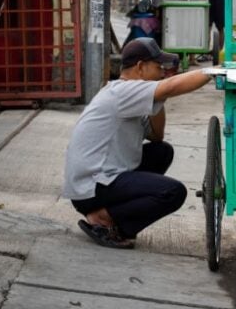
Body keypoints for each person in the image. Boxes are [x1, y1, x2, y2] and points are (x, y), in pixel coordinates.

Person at [63, 38, 212, 249]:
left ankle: (111, 213)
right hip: (91, 188)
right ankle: (105, 220)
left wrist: (159, 96)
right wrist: (216, 71)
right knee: (173, 192)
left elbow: (156, 136)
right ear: (140, 67)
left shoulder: (131, 95)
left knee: (162, 151)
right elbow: (171, 87)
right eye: (158, 67)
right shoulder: (122, 91)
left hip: (99, 181)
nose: (162, 72)